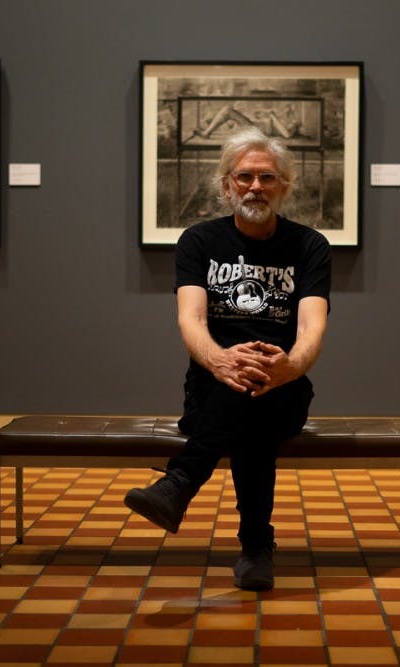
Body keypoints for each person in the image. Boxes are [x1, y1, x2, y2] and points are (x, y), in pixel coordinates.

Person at [124, 125, 331, 591]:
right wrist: (221, 361)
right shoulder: (198, 242)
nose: (255, 186)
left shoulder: (309, 246)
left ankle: (178, 484)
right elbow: (191, 321)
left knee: (255, 395)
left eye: (267, 177)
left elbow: (312, 326)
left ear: (284, 187)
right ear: (226, 185)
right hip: (211, 385)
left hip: (286, 386)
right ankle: (256, 547)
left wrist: (288, 368)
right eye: (244, 177)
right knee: (244, 401)